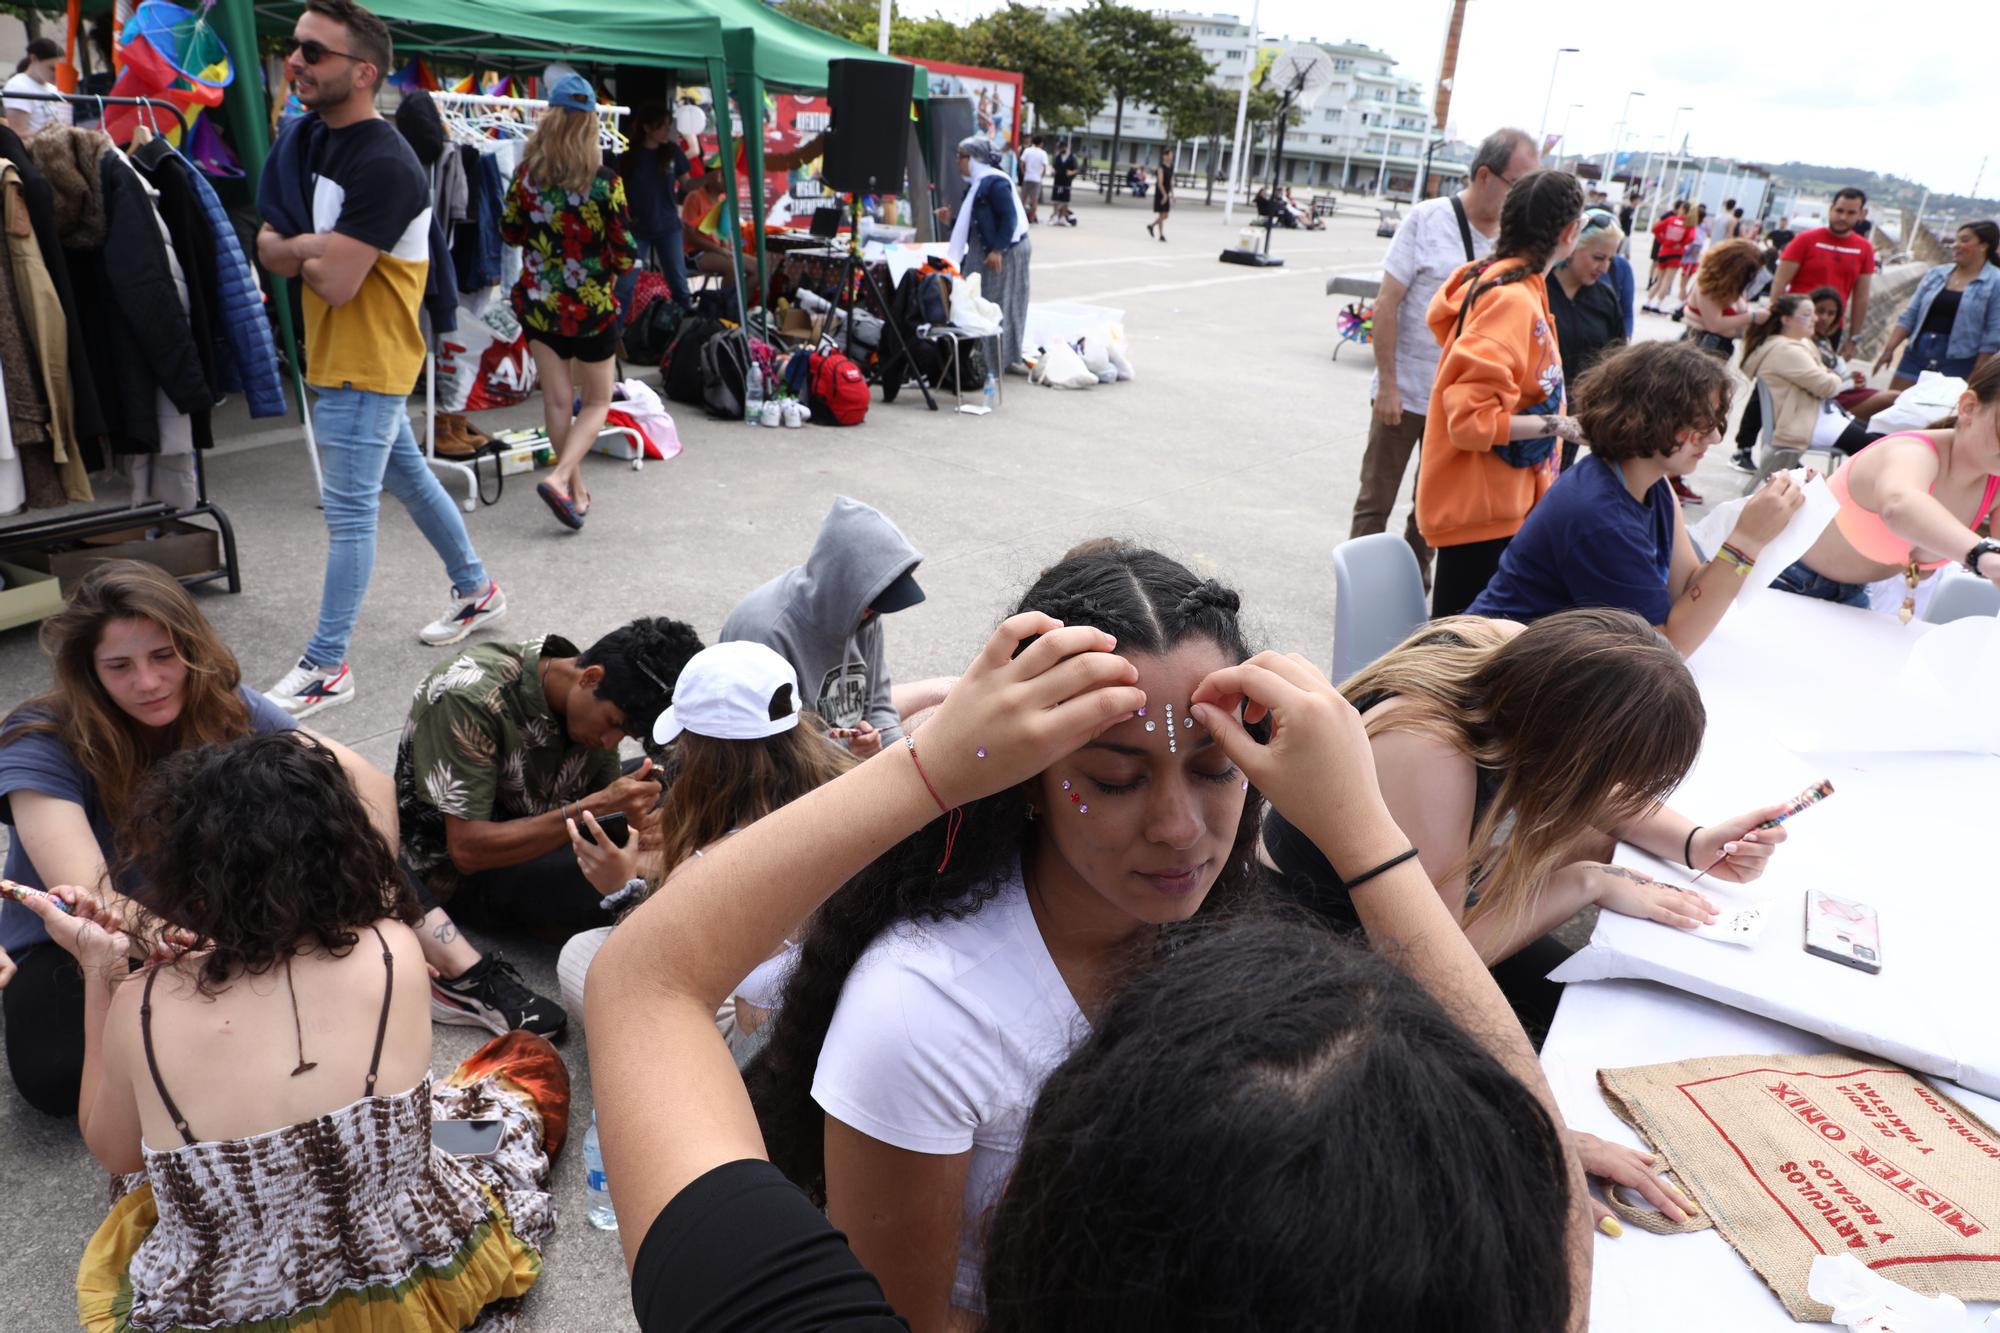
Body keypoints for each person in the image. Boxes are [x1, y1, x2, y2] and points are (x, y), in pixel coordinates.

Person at [588, 597, 1595, 1330]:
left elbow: (643, 985)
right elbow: (1549, 1232)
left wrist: (926, 770)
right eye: (1113, 778)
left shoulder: (1203, 952)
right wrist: (1365, 838)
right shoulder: (922, 1012)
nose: (1175, 826)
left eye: (1213, 770)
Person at [17, 731, 566, 1331]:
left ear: (185, 870)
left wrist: (101, 969)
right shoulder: (393, 947)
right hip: (412, 1273)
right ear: (342, 844)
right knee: (519, 1069)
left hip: (229, 1309)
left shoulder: (143, 1003)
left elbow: (115, 1152)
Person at [1263, 609, 1790, 1046]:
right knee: (1574, 1029)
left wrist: (1698, 842)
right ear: (1568, 752)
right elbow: (1438, 963)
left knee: (1608, 1007)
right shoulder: (1431, 753)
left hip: (1416, 909)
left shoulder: (1513, 659)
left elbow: (1595, 783)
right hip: (1319, 938)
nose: (1620, 793)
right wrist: (1588, 881)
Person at [0, 562, 408, 1113]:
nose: (147, 682)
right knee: (55, 1077)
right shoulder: (39, 736)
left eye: (164, 656)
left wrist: (368, 900)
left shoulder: (219, 699)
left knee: (356, 857)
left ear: (192, 647)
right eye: (119, 666)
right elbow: (92, 898)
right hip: (79, 942)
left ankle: (458, 969)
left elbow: (371, 785)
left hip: (209, 906)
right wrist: (208, 962)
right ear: (88, 670)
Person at [256, 0, 507, 719]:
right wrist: (307, 248)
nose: (296, 60)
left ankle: (327, 664)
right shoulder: (304, 139)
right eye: (295, 46)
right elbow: (266, 241)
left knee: (350, 515)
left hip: (368, 358)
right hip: (337, 351)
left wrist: (300, 249)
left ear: (363, 72)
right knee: (411, 479)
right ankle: (477, 588)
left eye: (314, 52)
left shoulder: (388, 162)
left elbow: (332, 279)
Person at [554, 640, 856, 1042]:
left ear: (701, 751)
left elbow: (655, 965)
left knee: (583, 956)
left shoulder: (713, 865)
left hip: (768, 1051)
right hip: (841, 1006)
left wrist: (621, 888)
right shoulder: (850, 784)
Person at [396, 617, 702, 969]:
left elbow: (605, 797)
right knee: (633, 882)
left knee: (676, 781)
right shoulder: (469, 699)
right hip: (466, 872)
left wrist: (640, 820)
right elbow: (467, 850)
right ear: (591, 678)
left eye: (623, 734)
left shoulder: (588, 698)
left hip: (549, 824)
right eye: (613, 724)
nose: (609, 742)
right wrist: (602, 810)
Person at [1468, 341, 1805, 655]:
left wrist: (1760, 532)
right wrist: (1746, 540)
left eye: (1717, 422)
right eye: (1702, 424)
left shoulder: (1649, 485)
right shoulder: (1599, 516)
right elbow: (1665, 650)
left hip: (1538, 666)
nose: (1715, 437)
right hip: (1491, 672)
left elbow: (1686, 588)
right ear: (1651, 419)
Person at [1350, 127, 1539, 584]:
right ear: (1484, 176)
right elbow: (1387, 304)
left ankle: (1412, 590)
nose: (1524, 198)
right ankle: (1363, 586)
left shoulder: (1513, 241)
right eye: (1519, 184)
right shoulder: (1427, 218)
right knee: (1376, 498)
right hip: (1406, 393)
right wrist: (1388, 386)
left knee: (1432, 509)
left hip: (1457, 409)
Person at [1417, 169, 1585, 617]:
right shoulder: (1511, 300)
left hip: (1494, 508)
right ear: (1570, 233)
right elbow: (1470, 423)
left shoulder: (1512, 287)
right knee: (1458, 666)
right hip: (1481, 517)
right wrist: (1563, 426)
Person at [501, 74, 635, 532]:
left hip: (539, 303)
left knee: (557, 402)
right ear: (590, 126)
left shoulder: (525, 176)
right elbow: (625, 252)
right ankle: (561, 479)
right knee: (596, 401)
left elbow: (510, 232)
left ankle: (575, 493)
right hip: (591, 308)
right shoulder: (605, 183)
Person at [1771, 359, 2000, 615]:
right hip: (1787, 577)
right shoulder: (1912, 452)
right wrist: (1983, 553)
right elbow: (1899, 504)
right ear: (1969, 408)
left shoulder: (1994, 481)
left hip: (1853, 597)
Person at [720, 496, 921, 760]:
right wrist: (848, 751)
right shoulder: (766, 633)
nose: (874, 612)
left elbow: (879, 705)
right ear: (842, 584)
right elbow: (766, 752)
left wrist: (897, 753)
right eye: (871, 601)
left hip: (839, 753)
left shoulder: (865, 613)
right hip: (782, 775)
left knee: (948, 694)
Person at [1740, 294, 1883, 480]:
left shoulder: (1799, 344)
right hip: (1808, 423)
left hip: (1818, 417)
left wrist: (1831, 377)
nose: (1815, 319)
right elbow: (1827, 386)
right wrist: (1834, 377)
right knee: (1878, 449)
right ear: (1786, 320)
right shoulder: (1786, 350)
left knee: (1880, 439)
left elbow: (1826, 379)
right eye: (1807, 314)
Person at [1869, 220, 2000, 389]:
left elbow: (1994, 333)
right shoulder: (1936, 274)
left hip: (1960, 361)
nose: (1956, 245)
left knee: (1938, 412)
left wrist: (1978, 372)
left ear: (1984, 245)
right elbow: (1911, 314)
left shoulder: (1995, 282)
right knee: (1896, 403)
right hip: (1917, 353)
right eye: (1956, 240)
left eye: (1964, 240)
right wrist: (1889, 350)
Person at [941, 137, 1032, 374]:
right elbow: (978, 222)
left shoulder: (994, 183)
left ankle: (998, 361)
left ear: (974, 159)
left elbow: (1009, 218)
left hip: (1005, 252)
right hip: (988, 249)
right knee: (982, 301)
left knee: (1000, 303)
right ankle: (986, 359)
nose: (957, 162)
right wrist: (950, 222)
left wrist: (997, 250)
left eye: (961, 157)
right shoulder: (978, 182)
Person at [1546, 208, 1627, 468]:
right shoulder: (1539, 288)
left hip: (1575, 420)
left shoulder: (1604, 298)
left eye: (1611, 260)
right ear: (1571, 247)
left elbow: (1617, 359)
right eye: (1598, 257)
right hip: (1531, 414)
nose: (1604, 268)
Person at [1774, 188, 1875, 362]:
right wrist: (1774, 320)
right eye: (1839, 211)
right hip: (1795, 324)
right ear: (1831, 208)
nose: (1843, 217)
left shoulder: (1864, 249)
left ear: (1861, 214)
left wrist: (1853, 338)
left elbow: (1861, 297)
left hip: (1830, 328)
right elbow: (1779, 282)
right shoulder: (1805, 240)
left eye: (1851, 213)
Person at [615, 102, 695, 314]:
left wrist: (710, 178)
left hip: (667, 226)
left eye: (668, 126)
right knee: (624, 285)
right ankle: (617, 336)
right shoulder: (629, 154)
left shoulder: (672, 151)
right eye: (661, 126)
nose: (666, 131)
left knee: (679, 284)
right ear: (647, 128)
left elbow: (687, 184)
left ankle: (685, 329)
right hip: (637, 227)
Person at [3, 38, 70, 138]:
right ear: (33, 59)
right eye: (52, 68)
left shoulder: (53, 89)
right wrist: (52, 132)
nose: (57, 74)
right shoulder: (17, 86)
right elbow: (17, 133)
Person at [1643, 201, 1691, 312]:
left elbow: (1655, 229)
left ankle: (1647, 301)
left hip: (1664, 251)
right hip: (1676, 254)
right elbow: (1691, 237)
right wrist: (1681, 244)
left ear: (1681, 209)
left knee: (1659, 280)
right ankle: (1657, 304)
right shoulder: (1688, 225)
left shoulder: (1670, 220)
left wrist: (1663, 240)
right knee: (1667, 280)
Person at [1675, 203, 1710, 303]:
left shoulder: (1697, 230)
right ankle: (1681, 301)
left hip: (1690, 259)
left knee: (1683, 284)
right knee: (1683, 284)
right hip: (1689, 258)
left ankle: (1681, 303)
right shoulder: (1698, 227)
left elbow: (1696, 246)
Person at [1048, 139, 1079, 226]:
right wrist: (1053, 172)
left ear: (1066, 147)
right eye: (1060, 148)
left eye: (1062, 147)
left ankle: (1062, 217)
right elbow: (1053, 167)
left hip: (1066, 181)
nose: (1061, 149)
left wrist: (1071, 172)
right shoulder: (1057, 157)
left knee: (1065, 200)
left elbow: (1077, 169)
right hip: (1057, 180)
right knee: (1056, 199)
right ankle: (1055, 216)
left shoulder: (1072, 157)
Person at [1018, 133, 1047, 224]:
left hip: (1027, 178)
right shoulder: (1043, 153)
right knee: (1034, 200)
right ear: (1041, 143)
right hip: (1036, 179)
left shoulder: (1027, 150)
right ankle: (1031, 217)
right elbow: (1045, 167)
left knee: (1023, 199)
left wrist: (1024, 172)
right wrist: (1041, 175)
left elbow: (1022, 164)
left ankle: (1020, 216)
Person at [1145, 146, 1173, 241]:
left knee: (1165, 215)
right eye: (1169, 155)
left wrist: (1172, 194)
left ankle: (1152, 227)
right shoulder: (1160, 168)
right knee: (1162, 215)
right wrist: (1164, 195)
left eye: (1171, 155)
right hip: (1161, 193)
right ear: (1164, 156)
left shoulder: (1171, 167)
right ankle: (1161, 235)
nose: (1171, 157)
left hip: (1166, 193)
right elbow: (1160, 183)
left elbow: (1170, 182)